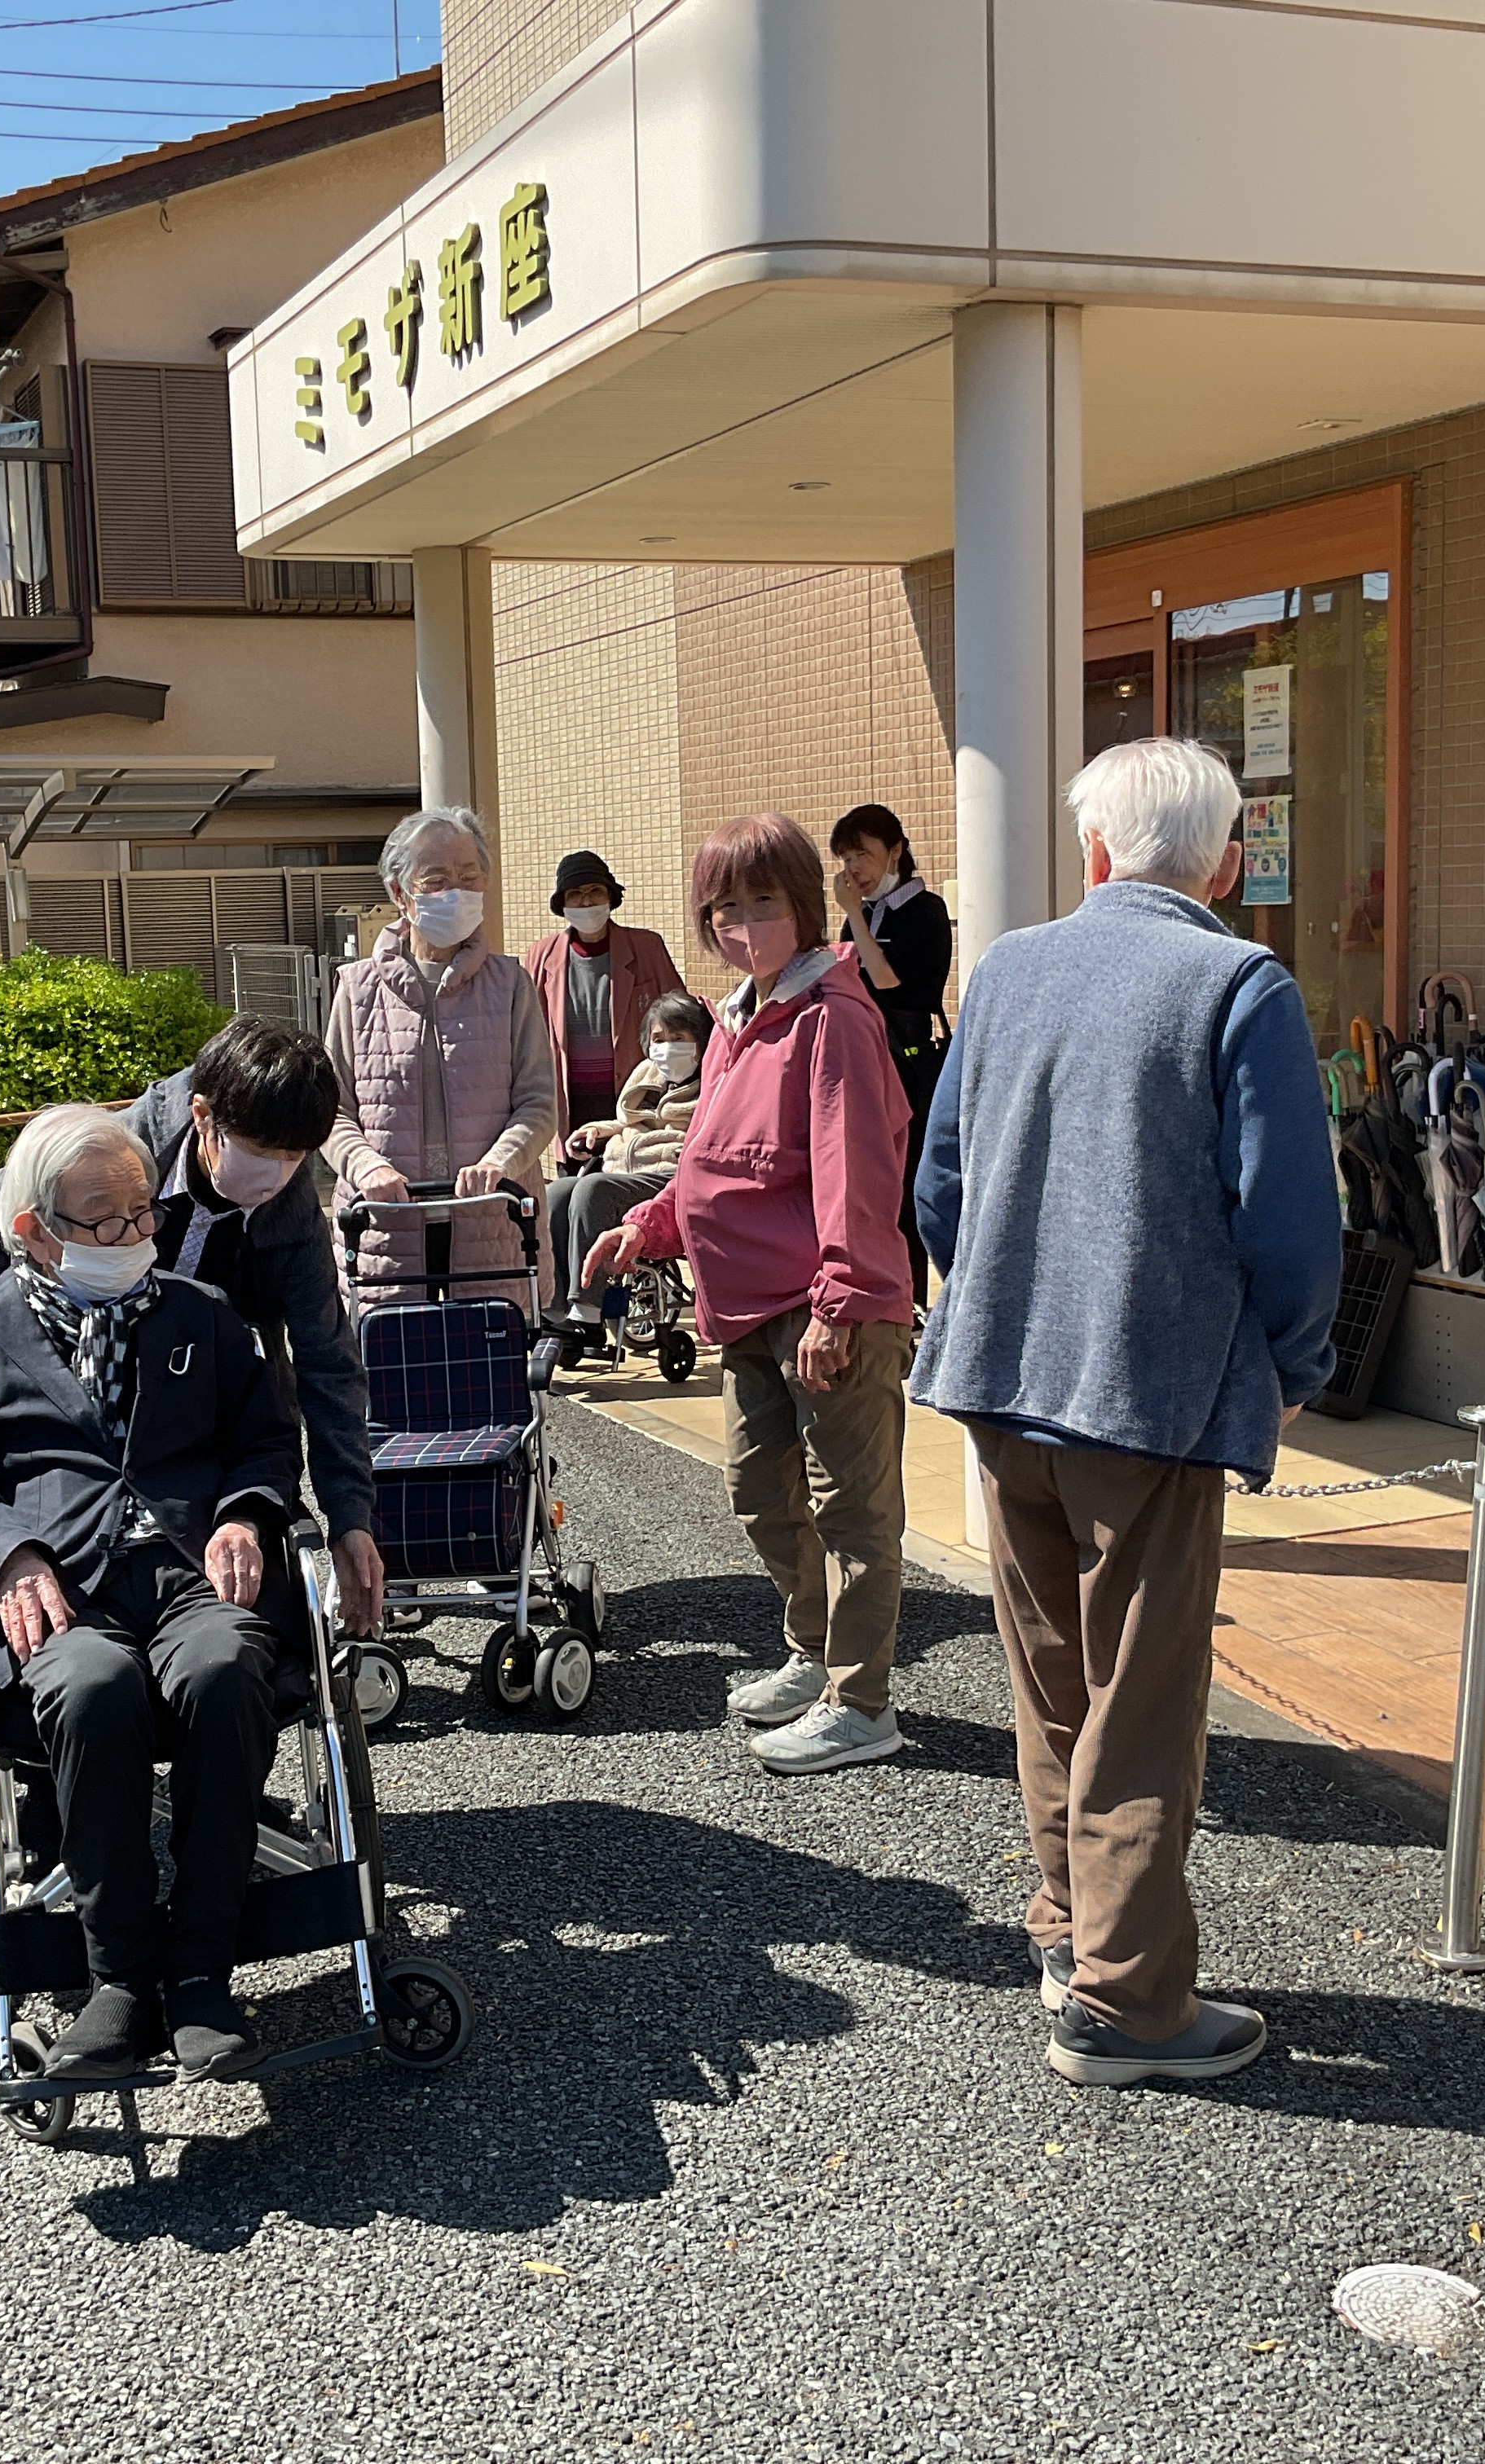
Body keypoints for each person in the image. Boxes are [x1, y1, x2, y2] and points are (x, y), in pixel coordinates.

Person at [911, 736, 1340, 2091]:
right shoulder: (1236, 980)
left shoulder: (1010, 969)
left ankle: (1065, 1924)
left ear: (1095, 852)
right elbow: (1290, 1219)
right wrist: (1293, 1360)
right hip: (1145, 1386)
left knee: (1051, 1677)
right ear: (1223, 861)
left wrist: (980, 1296)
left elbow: (942, 1181)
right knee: (1141, 1697)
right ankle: (1125, 1998)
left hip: (998, 1375)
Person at [0, 1105, 298, 2082]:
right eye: (103, 1220)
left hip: (187, 1568)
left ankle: (203, 1971)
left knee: (222, 1668)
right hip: (60, 1582)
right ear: (31, 1229)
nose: (133, 1237)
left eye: (140, 1215)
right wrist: (9, 1556)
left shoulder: (204, 1315)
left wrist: (247, 1512)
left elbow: (262, 1440)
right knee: (91, 1690)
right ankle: (119, 1978)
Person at [581, 814, 916, 1775]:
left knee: (851, 1508)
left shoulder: (831, 1017)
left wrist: (840, 1302)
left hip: (822, 1304)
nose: (742, 924)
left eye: (763, 903)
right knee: (760, 1492)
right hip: (746, 1305)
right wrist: (647, 1227)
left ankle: (863, 1703)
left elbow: (857, 1171)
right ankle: (813, 1657)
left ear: (805, 908)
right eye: (724, 908)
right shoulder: (738, 1016)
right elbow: (710, 1159)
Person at [0, 1017, 386, 1631]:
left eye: (296, 1159)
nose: (276, 1175)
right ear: (203, 1115)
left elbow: (328, 1362)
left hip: (196, 1399)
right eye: (261, 1153)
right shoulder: (124, 1146)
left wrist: (350, 1518)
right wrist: (9, 1332)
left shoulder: (288, 1210)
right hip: (86, 1376)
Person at [324, 806, 553, 1310]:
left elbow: (537, 1104)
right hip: (386, 1227)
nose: (457, 891)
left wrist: (500, 1164)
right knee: (394, 1375)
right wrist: (366, 1167)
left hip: (492, 1222)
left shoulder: (511, 985)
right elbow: (331, 1108)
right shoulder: (357, 989)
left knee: (491, 1376)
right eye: (437, 880)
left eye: (470, 878)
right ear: (399, 894)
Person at [831, 804, 954, 1308]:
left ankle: (911, 1308)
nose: (852, 867)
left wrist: (855, 916)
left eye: (863, 854)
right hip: (859, 1056)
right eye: (844, 856)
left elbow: (888, 982)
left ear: (896, 851)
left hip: (906, 1059)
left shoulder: (924, 912)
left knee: (906, 1186)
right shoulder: (859, 917)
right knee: (862, 1185)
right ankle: (875, 1301)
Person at [543, 989, 710, 1336]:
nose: (666, 1048)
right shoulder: (647, 1075)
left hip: (671, 1174)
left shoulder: (712, 1081)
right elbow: (629, 1122)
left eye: (678, 1038)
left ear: (699, 1041)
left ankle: (587, 1312)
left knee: (594, 1189)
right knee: (557, 1193)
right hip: (626, 1169)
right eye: (658, 1039)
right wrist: (598, 1130)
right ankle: (556, 1310)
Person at [524, 849, 689, 1162]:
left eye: (595, 891)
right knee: (573, 1190)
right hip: (571, 1101)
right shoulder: (541, 955)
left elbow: (681, 1017)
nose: (586, 902)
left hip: (635, 1099)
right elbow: (524, 1030)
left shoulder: (646, 947)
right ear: (563, 905)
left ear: (610, 897)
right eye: (575, 894)